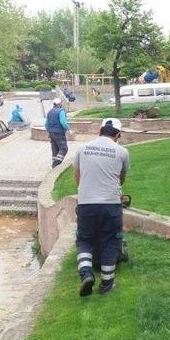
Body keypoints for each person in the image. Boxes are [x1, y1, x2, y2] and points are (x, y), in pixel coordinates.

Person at [73, 118, 129, 296]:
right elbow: (121, 178)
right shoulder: (122, 152)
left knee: (84, 240)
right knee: (110, 241)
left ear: (99, 131)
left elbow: (77, 176)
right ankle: (107, 285)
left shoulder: (82, 149)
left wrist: (85, 193)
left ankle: (86, 274)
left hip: (86, 203)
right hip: (111, 204)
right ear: (118, 135)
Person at [45, 98, 70, 167]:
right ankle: (56, 163)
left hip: (51, 133)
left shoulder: (49, 112)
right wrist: (68, 129)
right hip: (59, 132)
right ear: (59, 104)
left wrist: (49, 131)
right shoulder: (61, 111)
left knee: (55, 148)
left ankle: (54, 164)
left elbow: (46, 124)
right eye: (61, 103)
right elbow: (63, 122)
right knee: (64, 148)